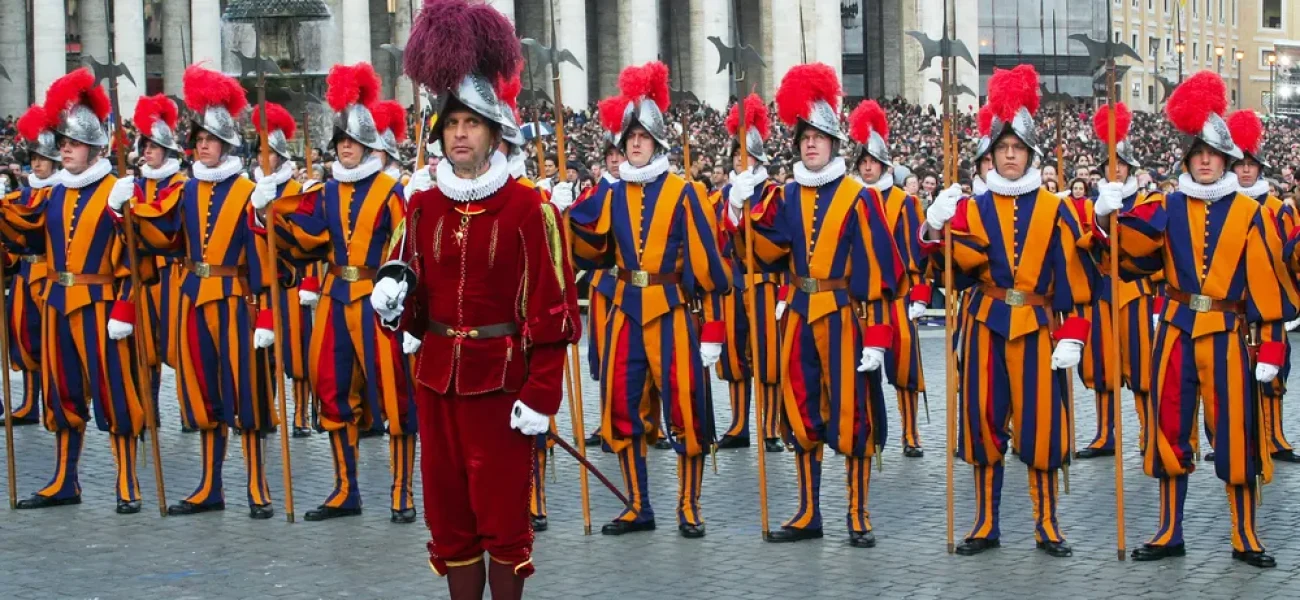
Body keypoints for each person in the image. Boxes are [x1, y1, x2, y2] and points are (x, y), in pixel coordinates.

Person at [376, 0, 579, 594]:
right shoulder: (422, 205)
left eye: (471, 124)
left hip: (504, 386)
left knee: (502, 521)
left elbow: (553, 313)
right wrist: (393, 306)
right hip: (437, 380)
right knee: (449, 519)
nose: (459, 134)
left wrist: (542, 396)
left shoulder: (528, 209)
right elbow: (410, 304)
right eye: (451, 124)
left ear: (494, 132)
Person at [1098, 71, 1297, 568]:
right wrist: (1108, 217)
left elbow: (1268, 286)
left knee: (1237, 435)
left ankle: (1245, 533)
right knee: (1168, 429)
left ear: (1228, 159)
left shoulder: (1252, 216)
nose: (1205, 160)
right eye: (1197, 152)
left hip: (1230, 336)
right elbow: (1130, 255)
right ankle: (1169, 530)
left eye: (1213, 153)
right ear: (1186, 158)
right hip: (1176, 332)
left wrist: (1271, 348)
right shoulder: (1166, 205)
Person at [922, 65, 1093, 558]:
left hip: (1039, 326)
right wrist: (935, 230)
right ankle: (985, 522)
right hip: (984, 325)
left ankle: (1047, 523)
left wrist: (1074, 334)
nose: (1011, 155)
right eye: (1003, 149)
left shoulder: (1056, 207)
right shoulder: (970, 207)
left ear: (1032, 154)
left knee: (1043, 426)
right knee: (982, 422)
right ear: (991, 155)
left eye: (1018, 148)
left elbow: (1076, 280)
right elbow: (944, 274)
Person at [566, 60, 732, 539]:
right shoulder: (610, 192)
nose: (634, 144)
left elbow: (710, 269)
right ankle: (638, 504)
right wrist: (563, 209)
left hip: (672, 311)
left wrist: (715, 331)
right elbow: (590, 250)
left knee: (685, 407)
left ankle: (688, 505)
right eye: (628, 138)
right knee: (620, 407)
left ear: (657, 143)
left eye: (642, 137)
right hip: (624, 313)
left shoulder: (684, 192)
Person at [739, 63, 903, 548]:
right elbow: (764, 251)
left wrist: (878, 339)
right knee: (800, 410)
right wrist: (742, 210)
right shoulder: (785, 195)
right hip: (797, 317)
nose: (810, 144)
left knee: (852, 414)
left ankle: (857, 513)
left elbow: (881, 275)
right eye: (804, 137)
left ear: (835, 144)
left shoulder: (859, 197)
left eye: (819, 136)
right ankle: (809, 511)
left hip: (844, 318)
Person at [256, 62, 417, 524]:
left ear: (368, 145)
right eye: (340, 141)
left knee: (393, 394)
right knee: (331, 389)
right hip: (333, 298)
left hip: (377, 300)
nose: (346, 148)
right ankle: (346, 489)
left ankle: (402, 491)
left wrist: (399, 290)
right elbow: (305, 238)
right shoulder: (324, 192)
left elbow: (407, 246)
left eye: (353, 141)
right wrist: (271, 210)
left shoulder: (391, 191)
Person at [119, 65, 277, 519]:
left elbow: (263, 258)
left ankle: (257, 485)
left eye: (209, 139)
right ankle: (210, 485)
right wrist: (124, 210)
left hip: (234, 300)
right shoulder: (186, 190)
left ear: (226, 143)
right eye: (198, 139)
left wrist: (265, 312)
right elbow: (162, 234)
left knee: (246, 391)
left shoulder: (249, 191)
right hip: (191, 298)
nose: (202, 145)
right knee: (201, 392)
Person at [3, 69, 147, 514]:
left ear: (97, 149)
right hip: (58, 305)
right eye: (61, 142)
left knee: (114, 392)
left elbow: (138, 261)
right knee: (62, 392)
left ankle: (127, 480)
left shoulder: (115, 190)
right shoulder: (54, 193)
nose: (63, 148)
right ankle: (66, 479)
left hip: (102, 307)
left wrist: (124, 308)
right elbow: (24, 231)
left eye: (73, 143)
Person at [1073, 103, 1159, 459]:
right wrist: (1099, 218)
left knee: (1142, 367)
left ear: (1130, 169)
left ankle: (1146, 431)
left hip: (1137, 292)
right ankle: (1104, 433)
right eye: (1110, 164)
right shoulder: (1090, 205)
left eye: (1121, 165)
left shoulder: (1147, 200)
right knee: (1101, 366)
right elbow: (1083, 246)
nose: (1116, 169)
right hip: (1103, 292)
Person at [847, 99, 928, 457]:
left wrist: (920, 295)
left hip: (897, 298)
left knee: (904, 368)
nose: (867, 167)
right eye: (862, 162)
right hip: (863, 300)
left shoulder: (904, 202)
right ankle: (871, 430)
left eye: (872, 162)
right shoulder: (849, 200)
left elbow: (916, 252)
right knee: (864, 369)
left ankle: (910, 434)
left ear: (883, 165)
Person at [1226, 108, 1300, 464]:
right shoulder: (1221, 208)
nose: (1244, 169)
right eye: (1239, 164)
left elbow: (1291, 257)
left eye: (1250, 165)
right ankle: (1240, 440)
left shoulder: (1278, 209)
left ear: (1260, 169)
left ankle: (1276, 438)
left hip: (1268, 305)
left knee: (1273, 375)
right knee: (1235, 375)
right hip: (1233, 306)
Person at [710, 94, 784, 453]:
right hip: (733, 285)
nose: (742, 161)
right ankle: (739, 424)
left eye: (748, 155)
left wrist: (743, 209)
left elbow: (774, 239)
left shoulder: (772, 194)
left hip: (765, 284)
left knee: (767, 357)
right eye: (737, 156)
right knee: (734, 357)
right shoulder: (721, 196)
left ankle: (769, 426)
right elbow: (714, 237)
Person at [248, 101, 315, 439]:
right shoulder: (253, 193)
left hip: (292, 283)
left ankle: (301, 414)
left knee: (298, 353)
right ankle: (268, 411)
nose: (263, 158)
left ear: (280, 156)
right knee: (264, 353)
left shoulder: (297, 192)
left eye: (269, 152)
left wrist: (311, 284)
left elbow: (308, 239)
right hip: (262, 284)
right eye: (259, 151)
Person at [129, 94, 187, 432]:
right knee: (144, 344)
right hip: (143, 275)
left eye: (153, 146)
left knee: (178, 344)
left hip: (172, 275)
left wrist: (134, 210)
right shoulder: (135, 185)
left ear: (167, 150)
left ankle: (187, 407)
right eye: (144, 145)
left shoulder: (180, 185)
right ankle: (149, 409)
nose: (148, 151)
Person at [1, 104, 60, 427]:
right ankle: (28, 403)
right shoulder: (21, 196)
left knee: (51, 342)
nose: (37, 164)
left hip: (50, 274)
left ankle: (54, 401)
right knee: (23, 339)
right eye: (34, 159)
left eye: (43, 159)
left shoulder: (60, 193)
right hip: (25, 273)